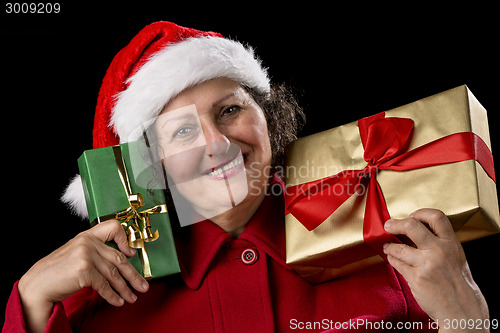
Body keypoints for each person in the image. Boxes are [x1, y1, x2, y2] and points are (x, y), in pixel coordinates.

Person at [3, 21, 490, 333]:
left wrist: (468, 322)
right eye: (182, 131)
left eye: (230, 110)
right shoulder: (96, 307)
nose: (215, 142)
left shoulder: (392, 248)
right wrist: (30, 297)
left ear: (268, 118)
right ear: (149, 167)